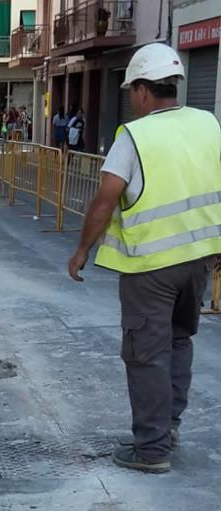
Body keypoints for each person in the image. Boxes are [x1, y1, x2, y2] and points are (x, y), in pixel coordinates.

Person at [67, 43, 221, 474]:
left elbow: (105, 200)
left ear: (140, 90)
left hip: (150, 266)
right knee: (178, 341)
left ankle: (152, 449)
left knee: (146, 353)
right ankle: (167, 427)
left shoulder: (134, 136)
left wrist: (82, 251)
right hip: (198, 260)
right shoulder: (208, 124)